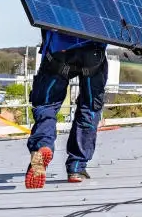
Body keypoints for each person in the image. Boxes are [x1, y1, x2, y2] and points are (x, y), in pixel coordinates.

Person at [24, 29, 109, 189]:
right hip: (93, 55)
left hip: (58, 52)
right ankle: (76, 167)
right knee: (89, 108)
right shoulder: (109, 3)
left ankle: (42, 147)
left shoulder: (51, 2)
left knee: (46, 106)